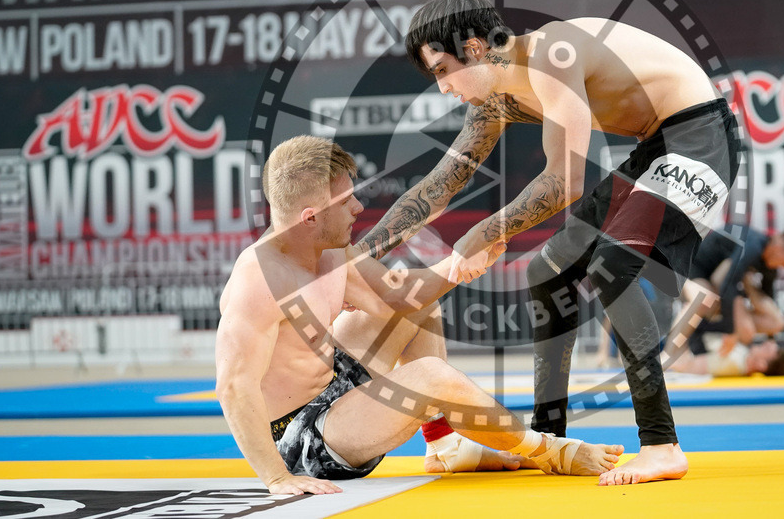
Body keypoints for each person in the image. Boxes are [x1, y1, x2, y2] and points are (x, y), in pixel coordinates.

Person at [358, 0, 742, 485]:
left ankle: (662, 445)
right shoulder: (496, 99)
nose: (443, 88)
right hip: (655, 147)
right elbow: (440, 186)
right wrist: (355, 257)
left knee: (612, 266)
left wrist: (484, 231)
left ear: (474, 48)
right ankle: (548, 436)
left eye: (442, 71)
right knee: (547, 270)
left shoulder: (553, 53)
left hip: (702, 135)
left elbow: (565, 182)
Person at [216, 135, 622, 494]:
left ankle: (445, 446)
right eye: (345, 202)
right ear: (310, 218)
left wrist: (459, 263)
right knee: (433, 377)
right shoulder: (260, 281)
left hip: (333, 382)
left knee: (419, 309)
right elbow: (234, 386)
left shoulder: (330, 251)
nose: (358, 207)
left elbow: (403, 297)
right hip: (301, 436)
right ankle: (551, 452)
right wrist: (276, 478)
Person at [674, 226, 784, 356]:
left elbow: (768, 299)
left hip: (722, 287)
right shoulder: (753, 246)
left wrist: (770, 340)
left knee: (774, 323)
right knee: (709, 299)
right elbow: (728, 283)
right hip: (696, 273)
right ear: (780, 248)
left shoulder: (770, 266)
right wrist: (730, 329)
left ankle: (718, 332)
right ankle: (698, 334)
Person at [668, 339, 784, 378]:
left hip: (678, 351)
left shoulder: (734, 363)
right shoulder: (741, 354)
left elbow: (688, 365)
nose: (766, 343)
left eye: (767, 349)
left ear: (762, 365)